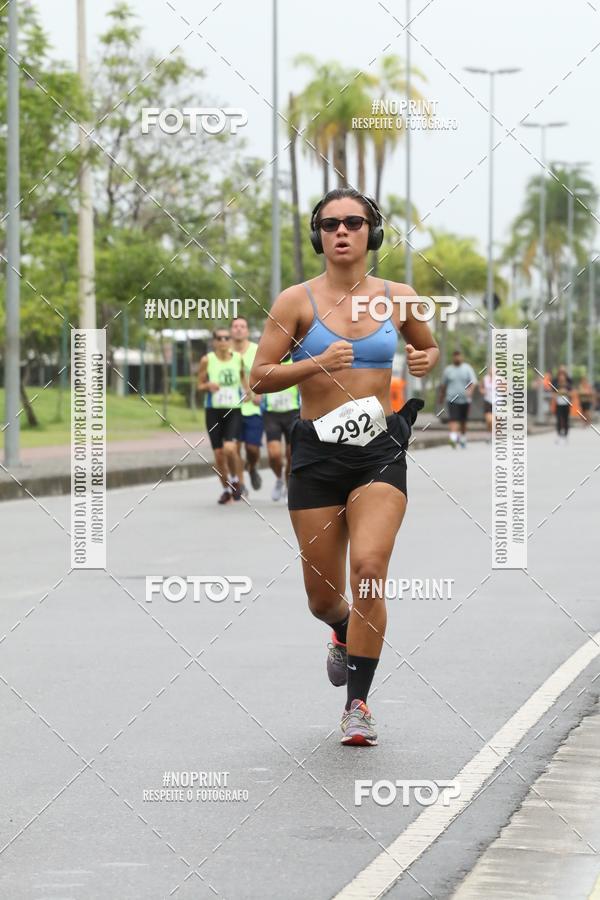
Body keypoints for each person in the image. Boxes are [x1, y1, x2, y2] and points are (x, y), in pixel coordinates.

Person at [251, 188, 439, 746]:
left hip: (379, 451)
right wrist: (313, 362)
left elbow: (427, 349)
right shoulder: (296, 302)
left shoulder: (399, 298)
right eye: (330, 224)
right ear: (318, 236)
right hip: (317, 453)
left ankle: (357, 705)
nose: (341, 231)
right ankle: (340, 628)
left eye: (353, 222)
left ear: (371, 233)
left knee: (370, 569)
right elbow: (258, 377)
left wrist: (425, 358)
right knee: (323, 597)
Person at [197, 327, 245, 504]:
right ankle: (226, 490)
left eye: (226, 338)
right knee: (218, 454)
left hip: (233, 410)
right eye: (219, 338)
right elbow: (199, 385)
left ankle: (235, 480)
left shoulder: (238, 359)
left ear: (230, 341)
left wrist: (249, 393)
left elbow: (243, 380)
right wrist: (208, 385)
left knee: (230, 449)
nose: (223, 341)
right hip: (213, 411)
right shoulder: (207, 360)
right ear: (214, 342)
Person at [260, 354, 300, 501]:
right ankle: (279, 479)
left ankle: (289, 487)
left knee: (291, 455)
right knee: (274, 454)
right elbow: (256, 380)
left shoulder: (296, 360)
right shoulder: (267, 360)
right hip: (272, 413)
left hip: (292, 412)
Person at [231, 316, 264, 495]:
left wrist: (259, 394)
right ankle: (241, 484)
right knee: (234, 447)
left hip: (253, 408)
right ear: (231, 330)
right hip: (231, 408)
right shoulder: (225, 352)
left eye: (242, 326)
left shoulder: (256, 350)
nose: (238, 329)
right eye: (235, 326)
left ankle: (252, 466)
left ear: (247, 331)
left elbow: (264, 373)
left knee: (252, 448)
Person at [439, 349, 476, 448]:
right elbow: (443, 385)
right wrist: (441, 397)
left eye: (458, 355)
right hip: (452, 398)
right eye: (455, 356)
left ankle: (463, 437)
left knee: (463, 421)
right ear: (453, 358)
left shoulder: (467, 368)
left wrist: (470, 391)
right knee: (453, 419)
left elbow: (473, 382)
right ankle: (453, 439)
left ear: (461, 357)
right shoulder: (448, 370)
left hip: (465, 400)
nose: (457, 358)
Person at [552, 365, 573, 444]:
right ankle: (559, 434)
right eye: (560, 374)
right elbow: (553, 393)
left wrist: (566, 391)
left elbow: (571, 392)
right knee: (558, 419)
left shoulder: (569, 382)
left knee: (566, 419)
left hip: (566, 403)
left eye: (563, 374)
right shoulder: (555, 382)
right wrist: (559, 392)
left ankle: (566, 435)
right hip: (558, 403)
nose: (562, 376)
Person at [480, 365, 496, 442]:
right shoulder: (485, 379)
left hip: (497, 402)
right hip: (488, 401)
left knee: (495, 421)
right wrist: (482, 391)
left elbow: (506, 388)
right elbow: (481, 387)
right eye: (491, 370)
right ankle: (489, 434)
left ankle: (492, 435)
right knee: (489, 420)